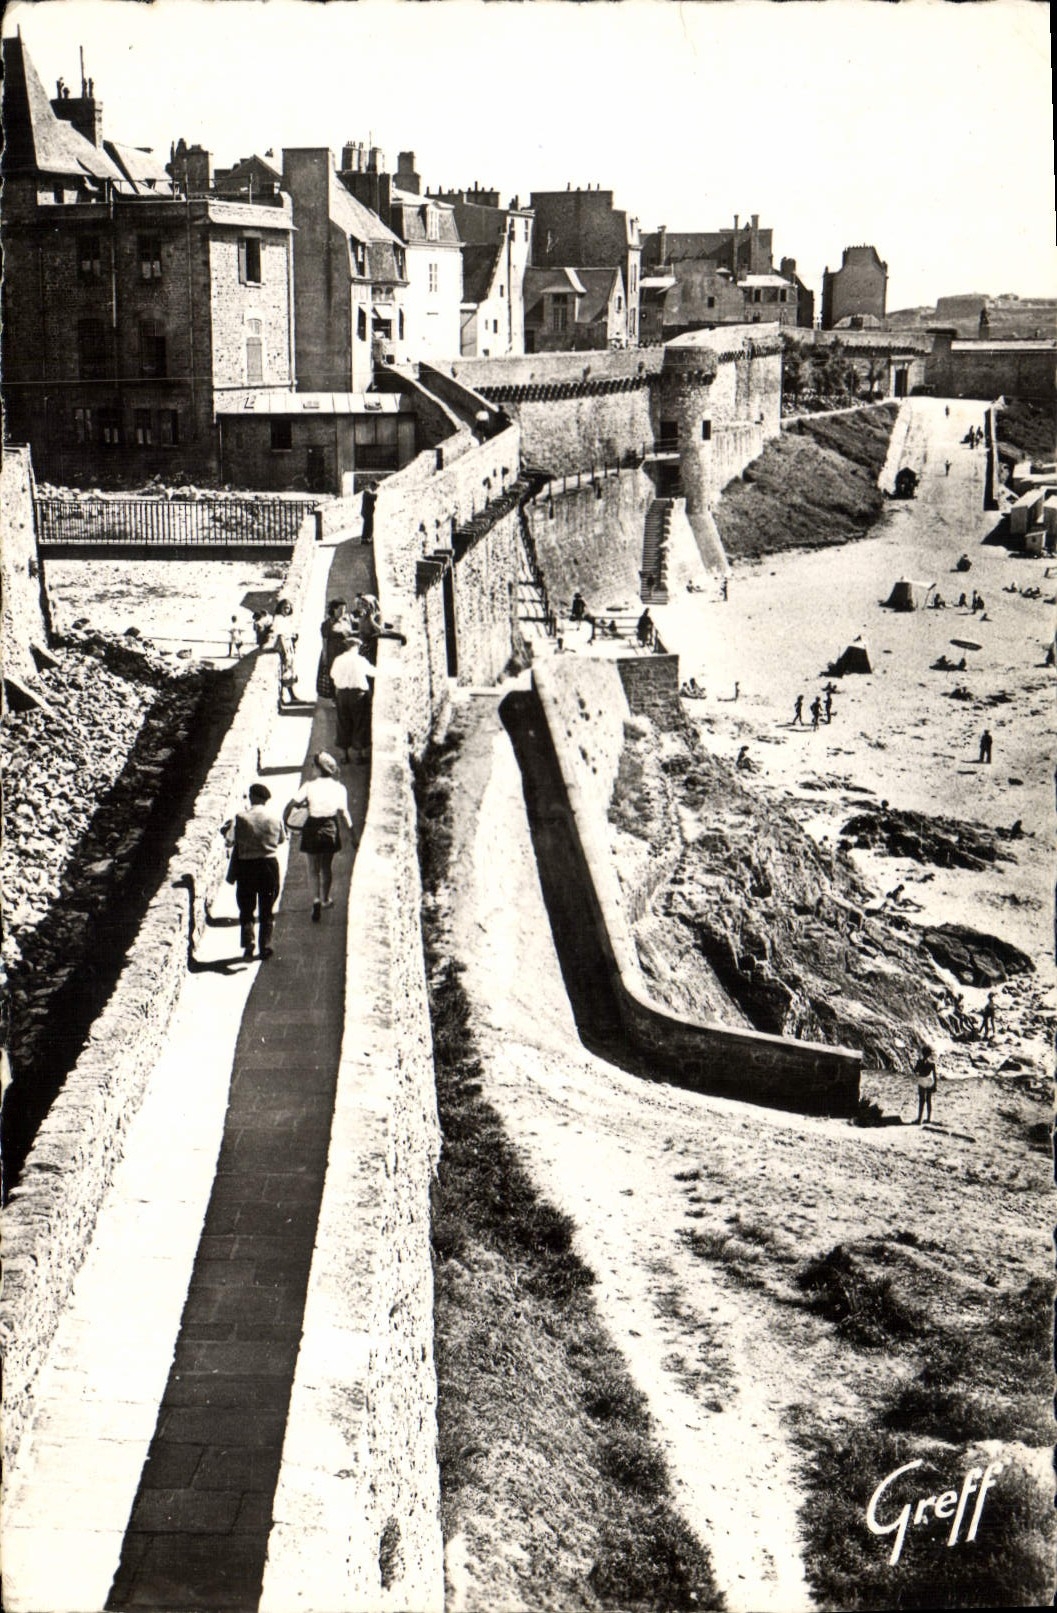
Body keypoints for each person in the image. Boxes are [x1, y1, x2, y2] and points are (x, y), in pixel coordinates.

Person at [284, 753, 353, 922]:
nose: (312, 769)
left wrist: (286, 822)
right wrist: (353, 835)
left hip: (312, 828)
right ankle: (325, 899)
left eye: (313, 766)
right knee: (326, 867)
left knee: (313, 869)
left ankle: (315, 899)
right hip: (330, 828)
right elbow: (344, 814)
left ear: (318, 768)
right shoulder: (339, 788)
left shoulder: (309, 786)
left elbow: (291, 805)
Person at [222, 783, 286, 961]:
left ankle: (248, 943)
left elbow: (229, 841)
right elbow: (281, 839)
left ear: (252, 797)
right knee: (267, 908)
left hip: (246, 867)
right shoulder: (274, 816)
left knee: (247, 907)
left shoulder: (240, 818)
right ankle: (265, 947)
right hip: (269, 866)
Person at [330, 639, 375, 762]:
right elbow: (372, 672)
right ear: (357, 647)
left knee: (343, 723)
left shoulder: (338, 660)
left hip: (343, 694)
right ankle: (359, 755)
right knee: (359, 723)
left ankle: (344, 756)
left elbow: (333, 675)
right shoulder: (360, 660)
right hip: (358, 695)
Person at [317, 598, 356, 698]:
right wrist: (325, 656)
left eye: (344, 609)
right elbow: (324, 641)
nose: (342, 612)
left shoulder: (347, 622)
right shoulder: (326, 624)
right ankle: (335, 697)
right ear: (333, 610)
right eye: (340, 609)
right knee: (333, 674)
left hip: (345, 651)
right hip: (332, 652)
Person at [273, 598, 303, 708]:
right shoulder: (278, 619)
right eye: (284, 607)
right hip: (283, 645)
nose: (286, 610)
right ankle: (282, 697)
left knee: (289, 670)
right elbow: (280, 635)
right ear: (280, 608)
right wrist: (285, 651)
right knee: (283, 671)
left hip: (288, 643)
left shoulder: (286, 619)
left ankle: (291, 695)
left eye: (288, 608)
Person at [914, 1045, 937, 1124]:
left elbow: (915, 1070)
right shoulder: (932, 1063)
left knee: (921, 1100)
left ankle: (919, 1119)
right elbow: (934, 1075)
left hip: (922, 1080)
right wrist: (935, 1085)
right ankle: (928, 1119)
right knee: (929, 1100)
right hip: (930, 1081)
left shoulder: (919, 1062)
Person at [360, 481, 378, 545]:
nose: (376, 489)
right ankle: (365, 539)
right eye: (375, 487)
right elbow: (373, 497)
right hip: (367, 512)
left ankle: (366, 539)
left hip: (367, 512)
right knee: (367, 526)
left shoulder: (368, 491)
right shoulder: (367, 491)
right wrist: (376, 495)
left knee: (368, 526)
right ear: (372, 485)